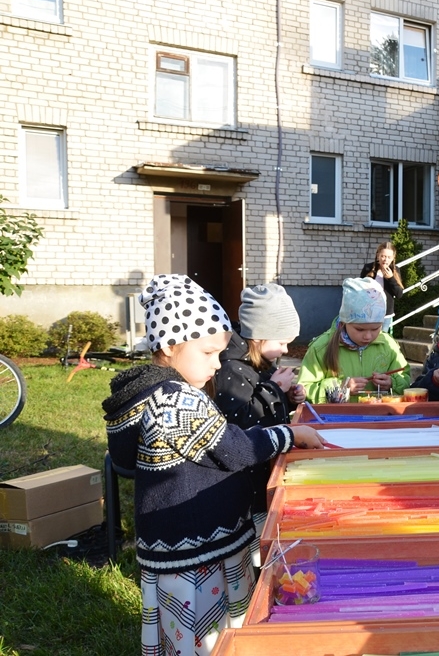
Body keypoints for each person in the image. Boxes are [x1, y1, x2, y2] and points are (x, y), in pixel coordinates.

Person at [102, 274, 324, 655]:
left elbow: (126, 457)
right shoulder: (176, 401)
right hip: (199, 548)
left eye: (221, 353)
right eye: (207, 353)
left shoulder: (145, 394)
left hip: (171, 546)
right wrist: (288, 435)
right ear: (170, 346)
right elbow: (235, 449)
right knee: (211, 635)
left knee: (180, 632)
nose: (217, 364)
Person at [213, 283, 305, 560]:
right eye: (280, 342)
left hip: (260, 465)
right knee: (253, 533)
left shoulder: (259, 363)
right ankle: (253, 563)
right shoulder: (233, 368)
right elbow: (239, 419)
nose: (285, 348)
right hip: (244, 480)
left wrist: (288, 397)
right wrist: (275, 389)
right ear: (258, 336)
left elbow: (264, 408)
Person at [297, 277, 410, 403]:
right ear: (345, 322)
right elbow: (305, 389)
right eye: (360, 329)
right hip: (336, 420)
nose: (368, 336)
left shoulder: (388, 345)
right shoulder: (322, 347)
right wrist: (341, 387)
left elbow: (405, 378)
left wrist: (392, 383)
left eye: (375, 329)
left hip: (379, 418)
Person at [361, 241, 403, 332]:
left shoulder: (395, 270)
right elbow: (359, 289)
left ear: (393, 258)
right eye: (383, 256)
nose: (385, 260)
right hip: (368, 312)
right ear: (378, 255)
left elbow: (399, 294)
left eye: (389, 257)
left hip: (385, 314)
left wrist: (391, 278)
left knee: (380, 339)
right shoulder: (368, 268)